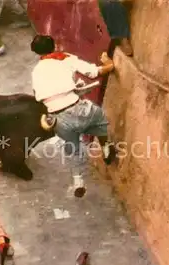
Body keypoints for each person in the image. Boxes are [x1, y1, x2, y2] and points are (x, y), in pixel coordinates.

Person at [30, 35, 117, 198]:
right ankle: (106, 147)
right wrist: (107, 62)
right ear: (54, 45)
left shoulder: (36, 71)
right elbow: (96, 72)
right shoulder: (66, 58)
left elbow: (40, 95)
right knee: (98, 117)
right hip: (78, 109)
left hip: (58, 119)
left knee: (72, 147)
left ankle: (78, 181)